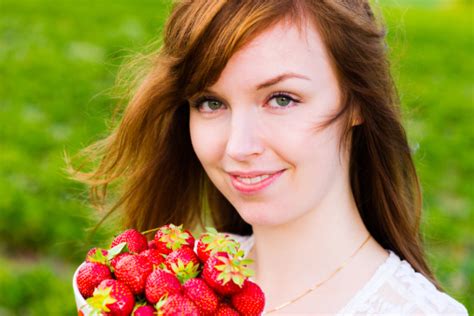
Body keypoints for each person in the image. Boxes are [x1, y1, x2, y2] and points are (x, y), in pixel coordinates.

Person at [73, 0, 468, 314]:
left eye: (282, 99)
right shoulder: (160, 283)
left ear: (356, 102)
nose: (238, 147)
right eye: (210, 102)